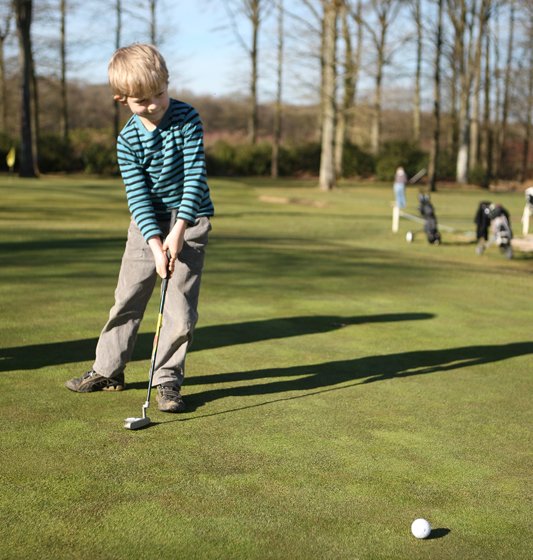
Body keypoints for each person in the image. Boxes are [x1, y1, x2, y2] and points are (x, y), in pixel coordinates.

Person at [65, 44, 214, 413]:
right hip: (147, 223)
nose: (154, 105)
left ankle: (167, 380)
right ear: (122, 99)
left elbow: (195, 176)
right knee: (128, 296)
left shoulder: (186, 117)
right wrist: (154, 243)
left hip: (190, 219)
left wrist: (179, 230)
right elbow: (138, 197)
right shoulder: (127, 140)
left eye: (159, 94)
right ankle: (108, 370)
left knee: (178, 308)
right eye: (141, 100)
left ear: (167, 83)